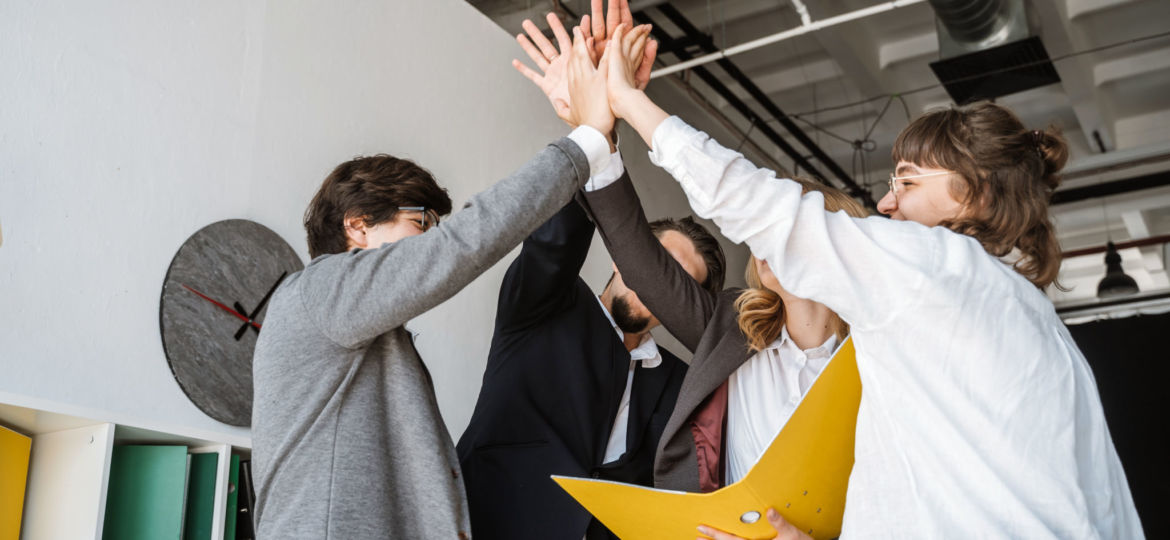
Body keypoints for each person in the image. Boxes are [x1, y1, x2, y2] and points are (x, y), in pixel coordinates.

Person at [574, 24, 1144, 538]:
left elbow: (751, 202)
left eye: (909, 181)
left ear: (976, 192)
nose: (887, 201)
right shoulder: (1024, 324)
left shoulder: (930, 269)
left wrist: (624, 100)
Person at [249, 67, 619, 538]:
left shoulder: (355, 321)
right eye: (423, 221)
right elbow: (462, 245)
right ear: (358, 225)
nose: (432, 239)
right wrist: (586, 142)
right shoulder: (320, 292)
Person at [456, 5, 726, 539]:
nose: (655, 285)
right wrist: (596, 129)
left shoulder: (677, 381)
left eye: (678, 283)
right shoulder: (549, 305)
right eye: (656, 263)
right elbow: (555, 240)